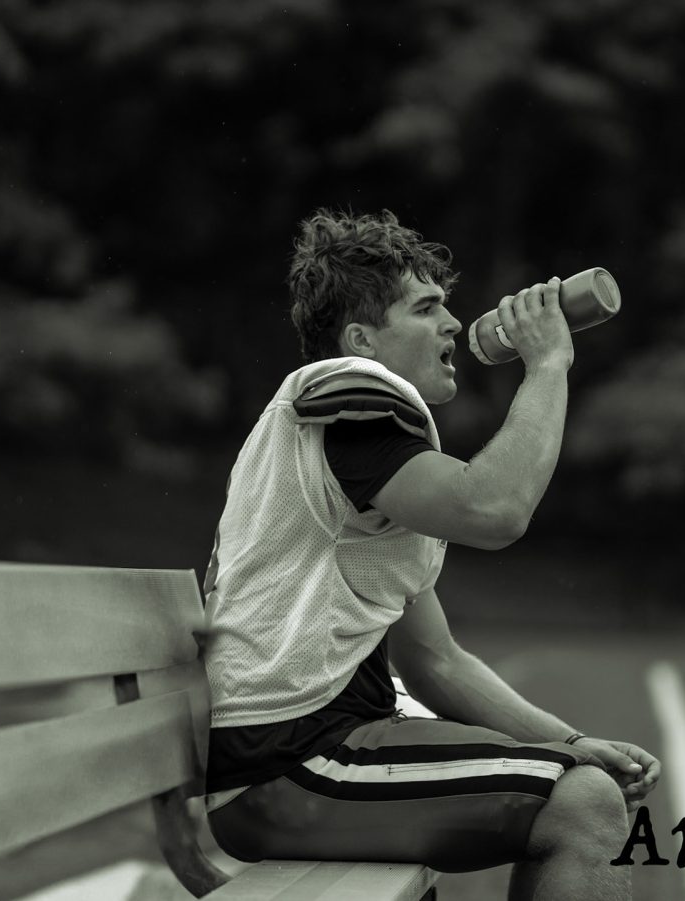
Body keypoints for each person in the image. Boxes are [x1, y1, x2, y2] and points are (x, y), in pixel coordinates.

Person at [201, 209, 660, 901]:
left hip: (303, 752)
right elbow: (495, 509)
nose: (452, 324)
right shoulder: (348, 388)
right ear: (362, 339)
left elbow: (434, 659)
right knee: (585, 804)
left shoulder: (376, 471)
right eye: (426, 308)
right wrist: (550, 361)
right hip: (286, 766)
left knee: (579, 779)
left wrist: (568, 740)